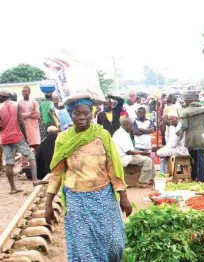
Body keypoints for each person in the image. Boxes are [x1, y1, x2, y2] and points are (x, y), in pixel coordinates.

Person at [44, 98, 131, 262]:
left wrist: (123, 196)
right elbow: (56, 174)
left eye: (86, 113)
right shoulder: (63, 139)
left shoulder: (102, 135)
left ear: (92, 114)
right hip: (77, 200)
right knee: (84, 247)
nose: (82, 117)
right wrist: (48, 204)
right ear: (71, 115)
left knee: (115, 243)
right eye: (77, 113)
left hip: (104, 197)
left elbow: (113, 167)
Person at [0, 90, 45, 192]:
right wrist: (25, 136)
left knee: (9, 162)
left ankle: (12, 188)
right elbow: (21, 122)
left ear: (2, 97)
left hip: (4, 138)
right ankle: (35, 180)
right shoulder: (16, 105)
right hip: (16, 136)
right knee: (31, 157)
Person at [113, 118, 156, 187]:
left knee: (148, 158)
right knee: (147, 160)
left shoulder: (123, 132)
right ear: (127, 125)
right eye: (132, 126)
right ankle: (142, 182)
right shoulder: (121, 134)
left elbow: (131, 149)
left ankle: (150, 179)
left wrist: (142, 152)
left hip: (127, 156)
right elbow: (129, 152)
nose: (133, 128)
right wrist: (141, 153)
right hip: (123, 158)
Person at [177, 94, 204, 181]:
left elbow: (185, 126)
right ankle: (203, 180)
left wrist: (179, 131)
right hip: (202, 138)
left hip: (191, 139)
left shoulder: (185, 111)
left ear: (188, 101)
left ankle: (193, 177)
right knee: (202, 160)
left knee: (193, 160)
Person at [18, 86, 41, 152]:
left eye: (25, 91)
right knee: (25, 147)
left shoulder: (34, 102)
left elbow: (37, 115)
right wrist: (30, 113)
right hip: (24, 128)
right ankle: (25, 162)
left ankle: (38, 161)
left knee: (37, 146)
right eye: (22, 91)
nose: (23, 92)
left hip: (34, 128)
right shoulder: (19, 103)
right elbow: (19, 116)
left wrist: (25, 115)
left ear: (29, 92)